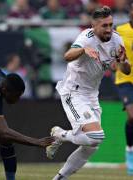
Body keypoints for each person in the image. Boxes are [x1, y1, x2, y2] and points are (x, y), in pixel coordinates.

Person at [46, 6, 131, 180]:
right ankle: (59, 134)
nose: (109, 29)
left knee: (92, 146)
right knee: (95, 136)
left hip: (92, 95)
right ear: (94, 26)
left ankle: (59, 178)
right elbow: (67, 55)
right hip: (73, 92)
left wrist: (122, 62)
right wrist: (83, 50)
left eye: (110, 24)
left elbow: (126, 70)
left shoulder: (116, 40)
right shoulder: (86, 37)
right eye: (104, 26)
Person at [115, 3, 133, 175]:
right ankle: (129, 150)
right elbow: (112, 50)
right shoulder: (120, 30)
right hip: (125, 79)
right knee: (132, 116)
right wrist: (116, 64)